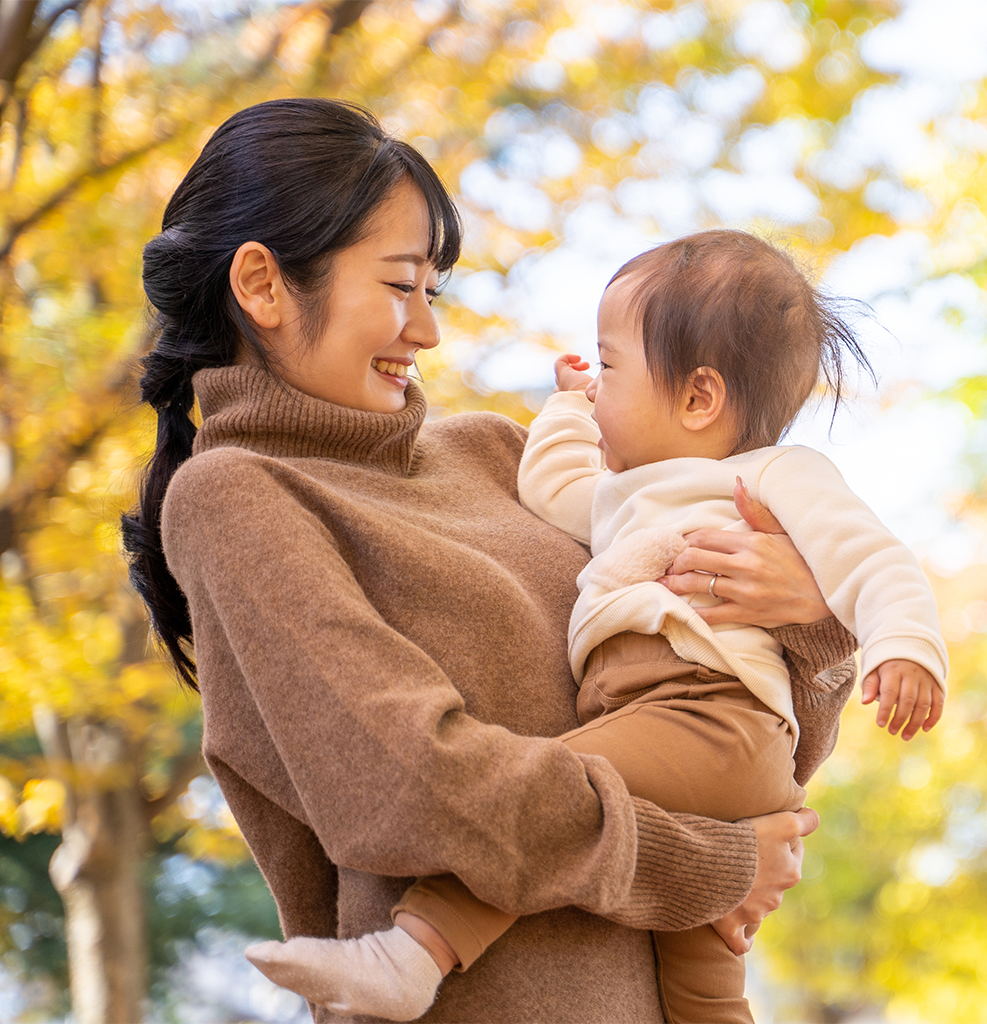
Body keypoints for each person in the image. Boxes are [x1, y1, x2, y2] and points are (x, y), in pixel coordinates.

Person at [123, 99, 859, 1024]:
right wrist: (710, 867)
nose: (426, 332)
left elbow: (743, 740)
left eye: (435, 292)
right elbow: (417, 789)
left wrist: (808, 619)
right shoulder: (237, 498)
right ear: (263, 285)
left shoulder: (503, 458)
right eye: (399, 287)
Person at [243, 231, 947, 1023]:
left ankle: (415, 951)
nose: (595, 381)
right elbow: (554, 490)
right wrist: (569, 408)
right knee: (706, 994)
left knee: (538, 793)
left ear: (698, 398)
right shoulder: (629, 494)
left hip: (705, 720)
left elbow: (873, 562)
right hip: (686, 746)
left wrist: (897, 644)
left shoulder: (774, 477)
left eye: (609, 367)